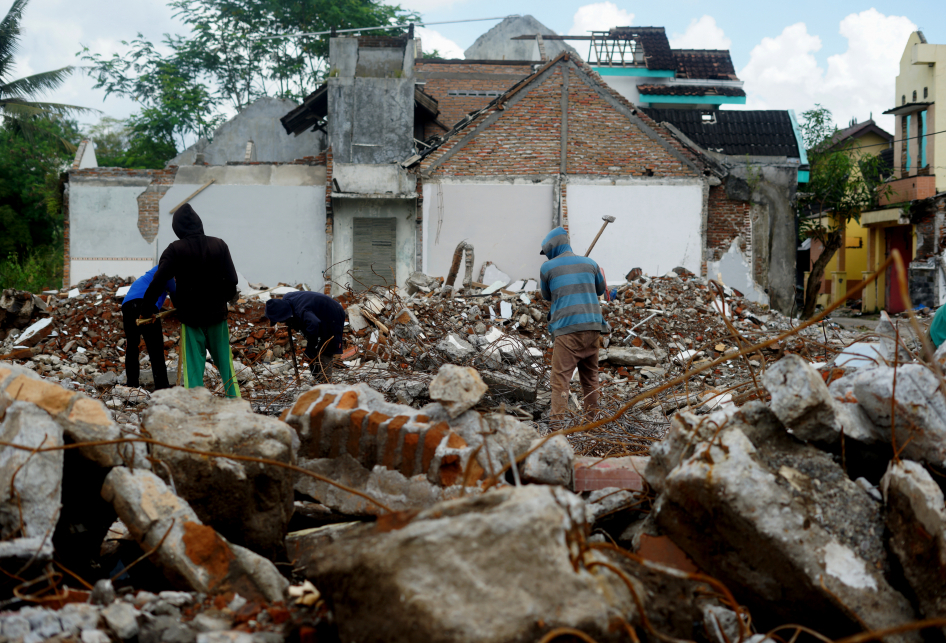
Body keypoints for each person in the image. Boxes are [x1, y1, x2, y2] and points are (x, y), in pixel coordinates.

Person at [141, 203, 241, 398]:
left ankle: (196, 407)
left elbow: (159, 281)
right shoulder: (219, 244)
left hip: (191, 319)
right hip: (217, 316)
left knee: (194, 368)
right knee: (226, 366)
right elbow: (232, 280)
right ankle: (235, 402)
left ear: (177, 228)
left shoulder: (175, 250)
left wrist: (146, 309)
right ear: (199, 223)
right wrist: (226, 298)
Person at [539, 226, 608, 421]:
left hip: (567, 330)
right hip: (593, 328)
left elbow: (547, 295)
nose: (546, 256)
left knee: (560, 381)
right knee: (590, 379)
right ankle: (592, 424)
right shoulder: (591, 263)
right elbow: (600, 289)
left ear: (552, 247)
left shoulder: (547, 268)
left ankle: (555, 431)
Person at [263, 291, 345, 381]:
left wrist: (309, 350)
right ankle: (316, 376)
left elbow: (314, 325)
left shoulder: (302, 311)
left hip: (332, 312)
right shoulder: (287, 300)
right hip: (316, 312)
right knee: (313, 345)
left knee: (325, 346)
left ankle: (325, 380)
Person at [121, 266, 175, 390]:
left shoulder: (152, 272)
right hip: (145, 304)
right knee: (155, 347)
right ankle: (162, 387)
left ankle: (132, 384)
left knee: (132, 345)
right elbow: (175, 292)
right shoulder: (169, 269)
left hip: (128, 304)